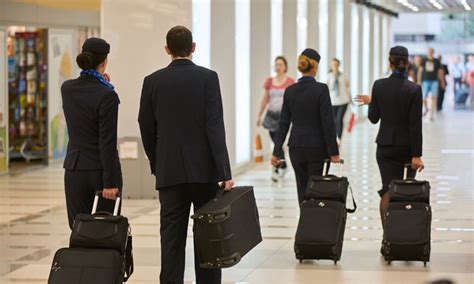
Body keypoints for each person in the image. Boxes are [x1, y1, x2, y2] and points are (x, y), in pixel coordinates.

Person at [138, 26, 233, 284]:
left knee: (171, 238)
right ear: (193, 47)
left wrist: (157, 162)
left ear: (167, 50)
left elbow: (145, 126)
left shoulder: (153, 81)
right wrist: (224, 171)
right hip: (204, 173)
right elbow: (214, 126)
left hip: (170, 173)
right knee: (208, 237)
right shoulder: (208, 78)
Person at [356, 46, 424, 233]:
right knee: (407, 191)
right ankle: (407, 236)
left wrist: (374, 101)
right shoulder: (415, 90)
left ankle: (389, 238)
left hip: (385, 146)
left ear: (390, 63)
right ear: (407, 63)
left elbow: (373, 118)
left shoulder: (379, 86)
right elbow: (415, 126)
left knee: (388, 189)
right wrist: (417, 155)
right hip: (408, 148)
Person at [61, 37, 122, 229]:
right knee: (104, 230)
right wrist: (110, 182)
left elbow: (85, 91)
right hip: (100, 172)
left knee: (79, 229)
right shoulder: (107, 95)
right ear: (104, 62)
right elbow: (107, 141)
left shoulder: (67, 89)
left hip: (74, 170)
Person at [271, 48, 341, 204]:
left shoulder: (290, 91)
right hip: (317, 149)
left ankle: (304, 223)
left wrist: (276, 152)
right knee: (316, 191)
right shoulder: (321, 90)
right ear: (315, 67)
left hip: (296, 148)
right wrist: (334, 152)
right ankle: (314, 225)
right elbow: (328, 123)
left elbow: (283, 124)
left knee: (302, 191)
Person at [256, 56, 295, 182]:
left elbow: (294, 101)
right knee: (276, 142)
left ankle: (279, 167)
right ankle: (282, 165)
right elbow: (265, 99)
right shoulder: (269, 81)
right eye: (276, 64)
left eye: (280, 64)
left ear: (285, 67)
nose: (278, 66)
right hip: (271, 116)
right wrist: (259, 115)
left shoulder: (290, 82)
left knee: (279, 141)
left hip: (283, 116)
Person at [327, 58, 351, 142]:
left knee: (339, 119)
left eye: (336, 64)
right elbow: (326, 89)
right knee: (333, 120)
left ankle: (339, 138)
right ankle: (333, 137)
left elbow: (347, 87)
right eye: (333, 64)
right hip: (332, 101)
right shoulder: (328, 76)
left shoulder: (343, 75)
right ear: (331, 65)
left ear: (339, 65)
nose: (335, 66)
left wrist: (350, 98)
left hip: (343, 101)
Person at [418, 48, 443, 120]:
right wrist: (419, 80)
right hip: (425, 81)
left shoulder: (436, 61)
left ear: (433, 52)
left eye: (432, 52)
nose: (430, 53)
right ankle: (426, 108)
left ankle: (432, 113)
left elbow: (440, 72)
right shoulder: (424, 60)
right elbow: (420, 71)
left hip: (434, 81)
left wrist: (442, 81)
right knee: (423, 97)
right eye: (429, 52)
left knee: (434, 97)